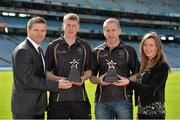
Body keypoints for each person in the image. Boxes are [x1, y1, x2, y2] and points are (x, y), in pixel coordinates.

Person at [11, 17, 63, 119]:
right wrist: (57, 84)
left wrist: (57, 78)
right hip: (26, 109)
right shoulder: (23, 50)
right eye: (36, 30)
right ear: (28, 30)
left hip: (36, 107)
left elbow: (41, 75)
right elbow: (30, 80)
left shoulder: (37, 49)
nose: (40, 33)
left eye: (43, 30)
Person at [90, 18, 140, 119]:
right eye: (107, 30)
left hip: (124, 101)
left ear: (119, 31)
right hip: (101, 102)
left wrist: (128, 80)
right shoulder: (96, 52)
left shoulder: (129, 50)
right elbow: (91, 77)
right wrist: (99, 80)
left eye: (113, 30)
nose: (111, 33)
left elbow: (138, 74)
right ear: (104, 32)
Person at [45, 13, 92, 119]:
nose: (71, 28)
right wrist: (59, 79)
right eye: (68, 25)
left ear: (78, 27)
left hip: (80, 99)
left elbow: (89, 71)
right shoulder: (53, 46)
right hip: (57, 100)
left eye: (74, 25)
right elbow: (46, 73)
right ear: (63, 26)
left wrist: (82, 78)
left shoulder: (85, 46)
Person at [118, 32, 170, 119]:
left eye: (151, 45)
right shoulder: (144, 65)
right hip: (142, 113)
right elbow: (138, 84)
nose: (147, 48)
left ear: (157, 47)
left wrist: (129, 83)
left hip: (154, 115)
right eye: (145, 45)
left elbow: (151, 89)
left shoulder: (162, 66)